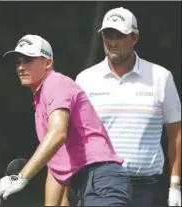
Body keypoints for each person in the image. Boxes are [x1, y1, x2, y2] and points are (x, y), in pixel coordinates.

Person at [0, 34, 131, 206]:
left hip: (101, 178)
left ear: (48, 63)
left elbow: (58, 133)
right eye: (18, 62)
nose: (21, 67)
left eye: (28, 60)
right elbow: (56, 164)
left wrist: (22, 177)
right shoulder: (41, 101)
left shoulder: (55, 83)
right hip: (89, 185)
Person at [75, 7, 181, 207]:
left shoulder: (160, 77)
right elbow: (72, 137)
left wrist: (175, 185)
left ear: (134, 37)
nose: (112, 42)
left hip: (146, 190)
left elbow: (176, 133)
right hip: (99, 188)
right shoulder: (85, 80)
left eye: (120, 35)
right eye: (108, 34)